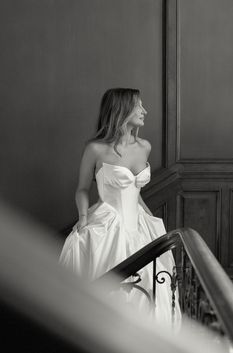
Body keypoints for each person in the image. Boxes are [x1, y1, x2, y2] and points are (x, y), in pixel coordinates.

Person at [59, 88, 181, 328]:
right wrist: (83, 220)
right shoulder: (95, 149)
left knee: (153, 285)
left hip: (140, 223)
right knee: (107, 286)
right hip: (106, 223)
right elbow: (82, 189)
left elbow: (136, 194)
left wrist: (152, 221)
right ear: (122, 110)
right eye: (139, 106)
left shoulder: (144, 146)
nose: (145, 111)